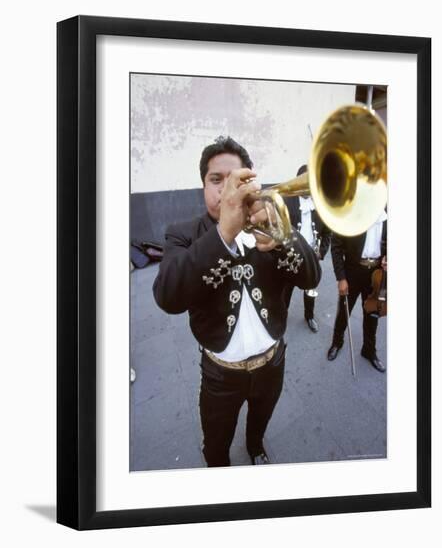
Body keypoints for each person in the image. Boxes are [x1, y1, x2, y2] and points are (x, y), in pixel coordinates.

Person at [153, 136, 321, 467]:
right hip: (219, 373)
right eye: (217, 180)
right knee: (216, 440)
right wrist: (223, 235)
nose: (228, 191)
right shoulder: (183, 233)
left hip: (272, 364)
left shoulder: (271, 224)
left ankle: (256, 446)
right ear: (203, 186)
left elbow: (311, 278)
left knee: (261, 419)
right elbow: (168, 296)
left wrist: (282, 239)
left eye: (237, 181)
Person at [326, 211, 387, 372]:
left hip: (376, 273)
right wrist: (341, 278)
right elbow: (336, 247)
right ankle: (337, 343)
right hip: (352, 272)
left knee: (372, 313)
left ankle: (369, 350)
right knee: (344, 312)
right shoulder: (352, 213)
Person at [283, 164, 331, 332]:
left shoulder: (320, 205)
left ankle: (309, 316)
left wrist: (321, 252)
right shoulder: (286, 202)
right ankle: (282, 316)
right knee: (286, 290)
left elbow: (327, 233)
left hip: (311, 256)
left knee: (310, 289)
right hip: (290, 256)